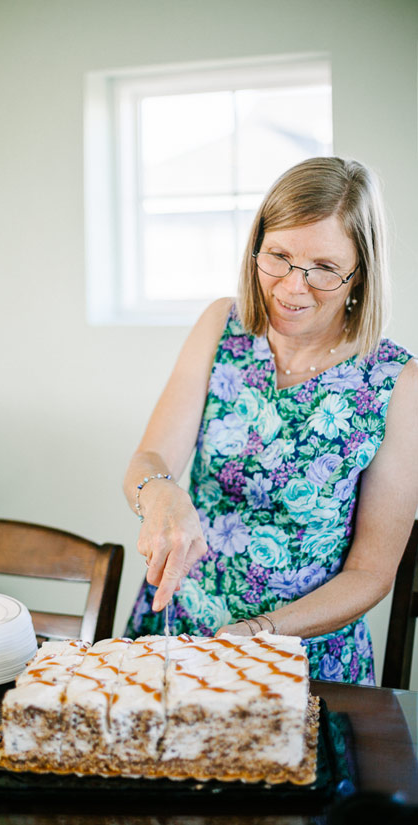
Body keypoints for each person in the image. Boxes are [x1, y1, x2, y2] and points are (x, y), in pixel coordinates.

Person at [123, 156, 418, 685]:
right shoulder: (222, 324)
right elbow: (149, 460)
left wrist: (260, 630)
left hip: (302, 656)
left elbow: (371, 574)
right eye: (277, 256)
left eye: (324, 268)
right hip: (177, 630)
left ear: (361, 273)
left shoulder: (398, 384)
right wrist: (159, 491)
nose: (291, 287)